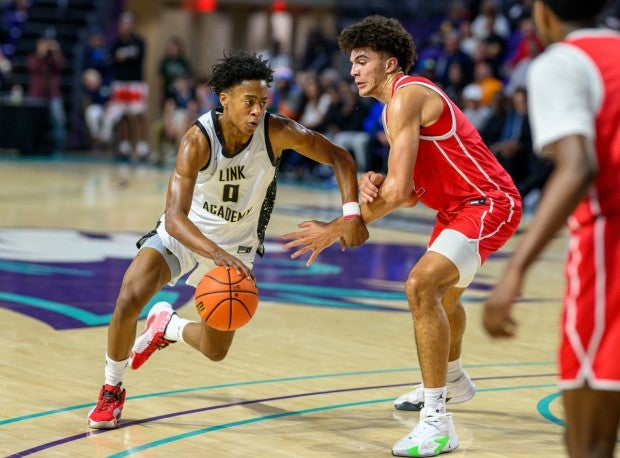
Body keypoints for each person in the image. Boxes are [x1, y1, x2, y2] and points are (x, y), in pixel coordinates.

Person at [86, 51, 369, 429]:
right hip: (186, 236)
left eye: (262, 102)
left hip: (236, 247)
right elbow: (174, 217)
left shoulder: (277, 132)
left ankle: (166, 326)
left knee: (215, 351)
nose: (257, 111)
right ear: (225, 99)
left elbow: (341, 158)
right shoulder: (196, 141)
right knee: (127, 298)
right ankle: (112, 389)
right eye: (249, 102)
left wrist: (350, 213)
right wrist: (214, 253)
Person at [282, 15, 522, 456]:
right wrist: (375, 179)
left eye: (362, 60)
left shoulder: (406, 97)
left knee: (420, 286)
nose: (353, 70)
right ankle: (454, 383)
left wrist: (338, 227)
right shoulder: (395, 106)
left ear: (390, 63)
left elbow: (395, 195)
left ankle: (437, 422)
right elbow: (407, 193)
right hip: (456, 207)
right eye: (351, 63)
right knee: (445, 298)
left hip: (488, 203)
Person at [482, 1, 620, 457]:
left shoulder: (561, 62)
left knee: (589, 446)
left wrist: (514, 271)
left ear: (542, 12)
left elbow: (577, 167)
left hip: (609, 253)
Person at [108, 11, 149, 160]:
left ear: (133, 25)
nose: (125, 26)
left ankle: (143, 147)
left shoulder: (139, 42)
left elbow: (138, 59)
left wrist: (122, 58)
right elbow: (111, 60)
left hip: (135, 83)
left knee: (138, 115)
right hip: (120, 84)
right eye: (123, 24)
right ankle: (125, 146)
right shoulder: (116, 43)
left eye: (128, 23)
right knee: (122, 116)